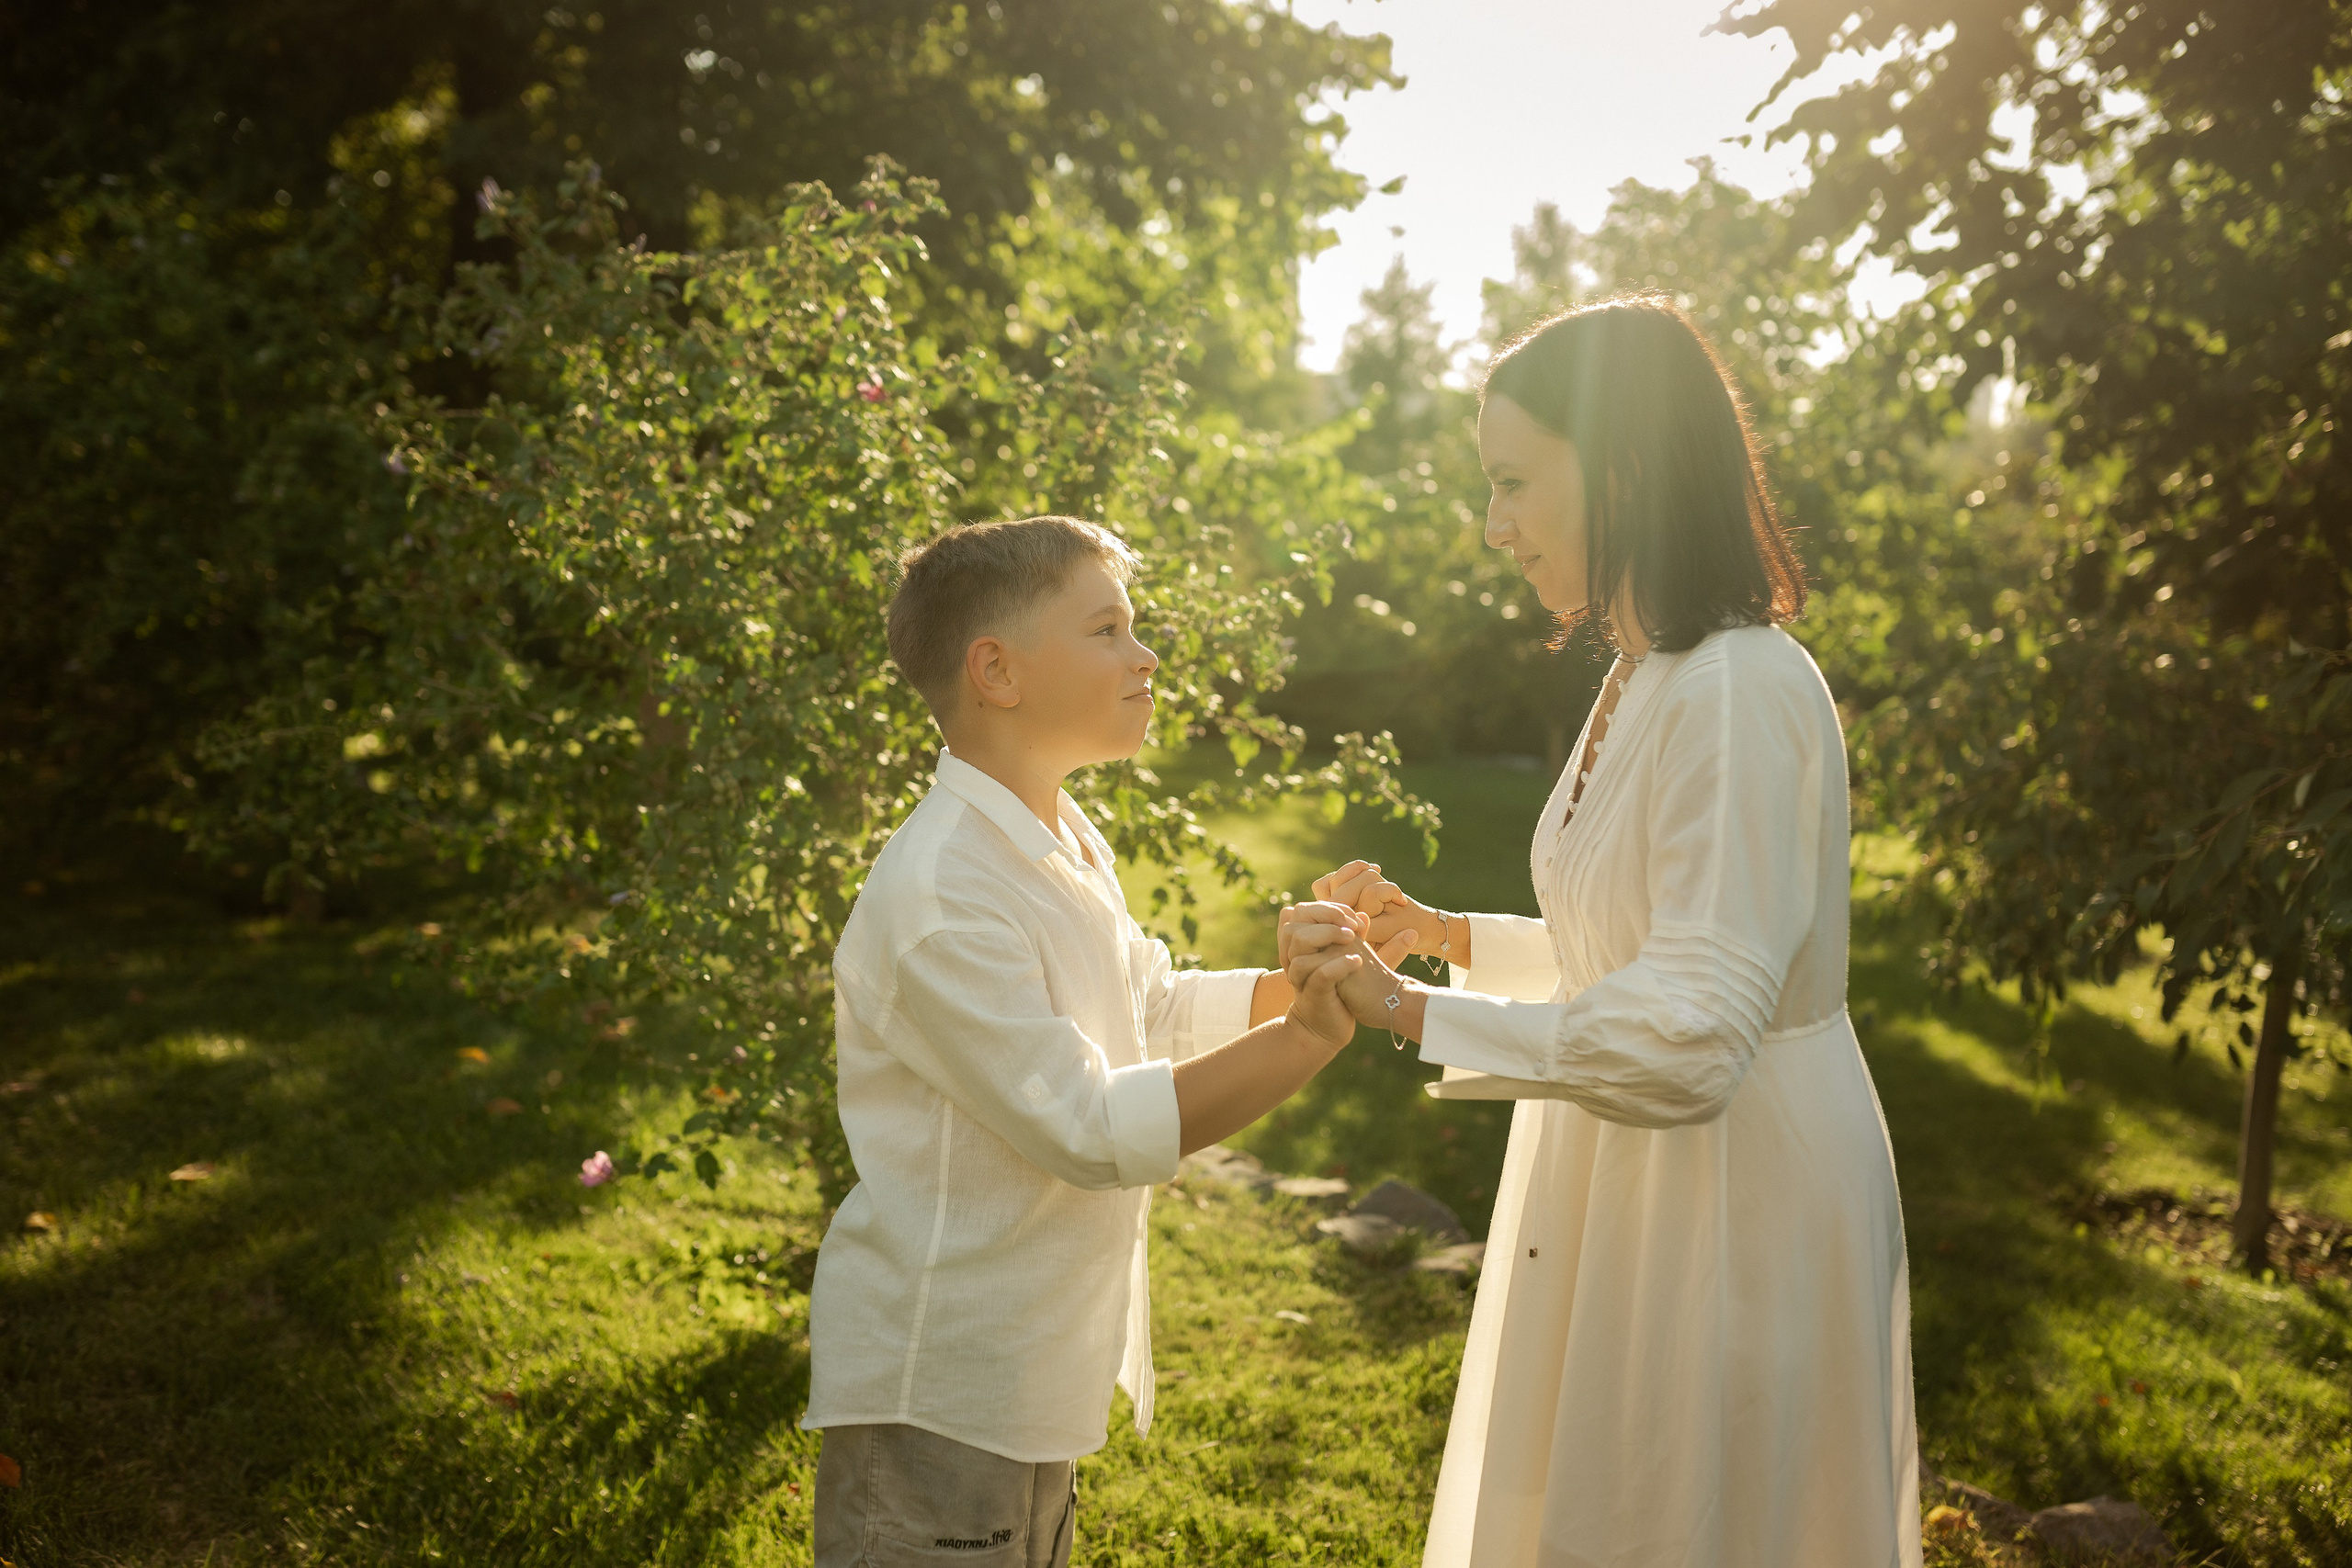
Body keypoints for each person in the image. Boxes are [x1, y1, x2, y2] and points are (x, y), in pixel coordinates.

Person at [1290, 295, 1921, 1568]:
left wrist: (1406, 1010)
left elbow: (1691, 1031)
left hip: (1733, 1191)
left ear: (1624, 464)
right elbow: (1641, 937)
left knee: (1694, 1515)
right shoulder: (1646, 669)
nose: (1493, 523)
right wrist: (1443, 933)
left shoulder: (1740, 686)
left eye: (1515, 480)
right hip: (1633, 1171)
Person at [803, 515, 1401, 1568]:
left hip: (1027, 1368)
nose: (1146, 654)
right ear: (997, 670)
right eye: (1108, 630)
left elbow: (1148, 1004)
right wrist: (1306, 1039)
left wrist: (1289, 980)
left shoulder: (1059, 836)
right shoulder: (946, 895)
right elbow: (1082, 1126)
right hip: (944, 1386)